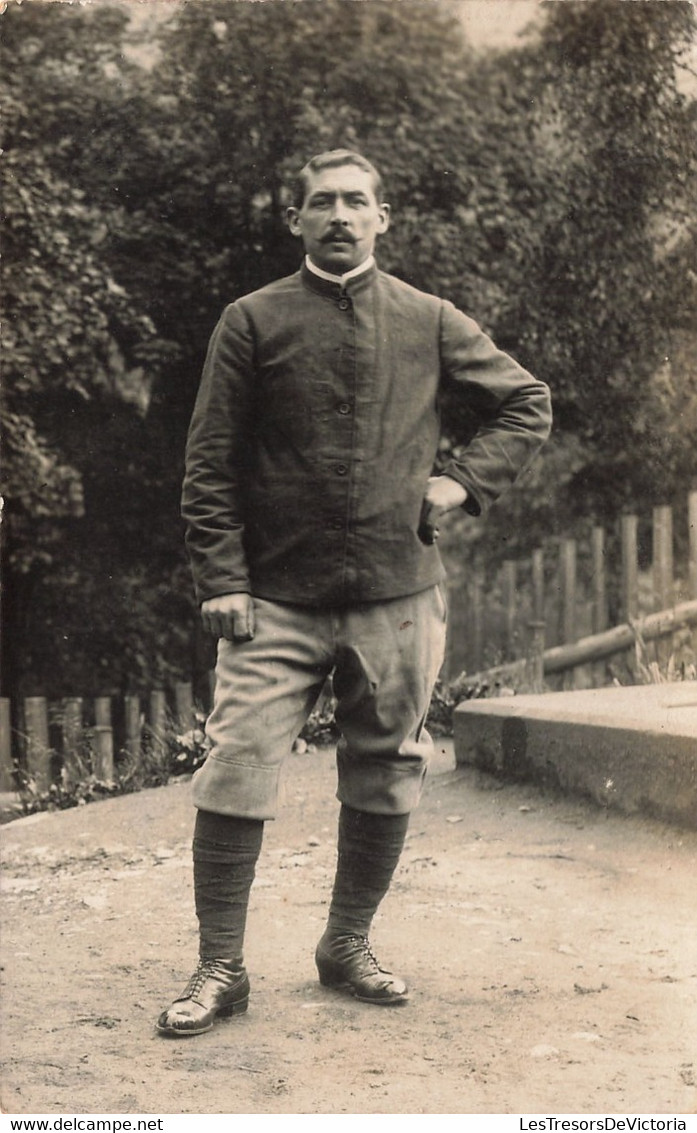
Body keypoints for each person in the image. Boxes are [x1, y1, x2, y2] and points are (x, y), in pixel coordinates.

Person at [157, 149, 552, 1037]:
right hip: (274, 596)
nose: (339, 215)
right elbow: (208, 462)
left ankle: (347, 943)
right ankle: (220, 965)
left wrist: (459, 483)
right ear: (295, 220)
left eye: (356, 202)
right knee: (234, 768)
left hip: (397, 590)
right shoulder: (250, 320)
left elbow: (526, 402)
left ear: (383, 218)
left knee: (386, 767)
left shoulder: (428, 317)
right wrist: (221, 577)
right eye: (321, 202)